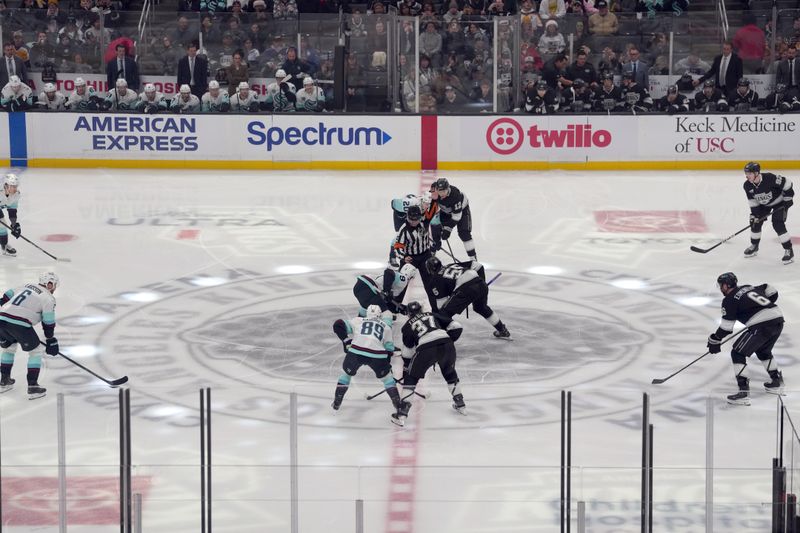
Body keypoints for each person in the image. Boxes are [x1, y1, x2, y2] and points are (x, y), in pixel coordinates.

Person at [708, 272, 786, 406]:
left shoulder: (729, 300)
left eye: (721, 285)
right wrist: (762, 307)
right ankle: (776, 382)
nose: (721, 288)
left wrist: (715, 339)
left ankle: (743, 392)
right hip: (778, 319)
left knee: (737, 353)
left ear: (726, 285)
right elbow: (771, 290)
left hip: (762, 326)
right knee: (763, 351)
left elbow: (727, 327)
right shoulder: (749, 287)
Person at [394, 300, 465, 426]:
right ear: (421, 310)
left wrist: (408, 367)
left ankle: (402, 413)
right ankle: (460, 402)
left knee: (411, 378)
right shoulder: (432, 315)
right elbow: (457, 326)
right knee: (449, 372)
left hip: (426, 349)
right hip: (447, 344)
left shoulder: (406, 326)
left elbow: (407, 353)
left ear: (409, 314)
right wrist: (448, 340)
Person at [331, 305, 405, 419]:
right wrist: (386, 366)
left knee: (346, 375)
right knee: (387, 379)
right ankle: (398, 407)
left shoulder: (358, 321)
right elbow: (389, 349)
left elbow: (338, 324)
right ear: (379, 315)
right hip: (377, 355)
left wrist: (346, 341)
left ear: (367, 313)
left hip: (356, 351)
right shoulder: (386, 326)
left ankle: (337, 402)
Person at [0, 271, 60, 400]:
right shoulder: (48, 298)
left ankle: (4, 381)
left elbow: (5, 297)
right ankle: (33, 386)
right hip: (20, 323)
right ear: (50, 284)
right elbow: (48, 321)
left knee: (9, 348)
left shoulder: (25, 285)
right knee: (35, 351)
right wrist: (50, 339)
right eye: (54, 285)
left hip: (1, 319)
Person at [424, 256, 511, 339]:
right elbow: (478, 265)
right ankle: (502, 330)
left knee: (443, 315)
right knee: (481, 308)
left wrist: (456, 299)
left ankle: (443, 341)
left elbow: (441, 306)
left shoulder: (435, 280)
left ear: (429, 270)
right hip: (480, 283)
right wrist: (481, 282)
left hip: (465, 289)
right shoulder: (452, 265)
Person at [742, 162, 794, 264]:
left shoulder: (770, 178)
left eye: (749, 173)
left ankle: (789, 250)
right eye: (746, 173)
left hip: (779, 204)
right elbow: (752, 201)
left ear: (757, 173)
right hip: (764, 205)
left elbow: (788, 183)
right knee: (755, 223)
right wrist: (755, 214)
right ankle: (754, 246)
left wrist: (788, 198)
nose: (747, 176)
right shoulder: (747, 185)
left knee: (778, 224)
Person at [431, 178, 477, 260]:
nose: (441, 194)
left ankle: (473, 258)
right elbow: (429, 202)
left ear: (448, 188)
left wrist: (448, 229)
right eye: (439, 191)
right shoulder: (434, 190)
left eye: (444, 191)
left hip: (461, 211)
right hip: (445, 211)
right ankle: (432, 251)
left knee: (464, 233)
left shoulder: (455, 195)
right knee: (435, 226)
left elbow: (457, 216)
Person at [0, 174, 21, 257]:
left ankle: (4, 245)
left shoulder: (16, 195)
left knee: (2, 226)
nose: (15, 189)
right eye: (13, 186)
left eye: (16, 186)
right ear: (6, 185)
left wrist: (14, 224)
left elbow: (12, 210)